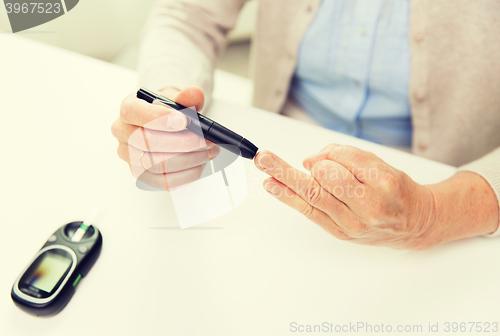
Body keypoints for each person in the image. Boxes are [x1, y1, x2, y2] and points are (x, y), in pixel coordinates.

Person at [111, 0, 500, 250]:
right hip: (278, 162)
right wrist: (170, 99)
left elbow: (437, 211)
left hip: (450, 184)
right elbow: (188, 14)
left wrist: (433, 213)